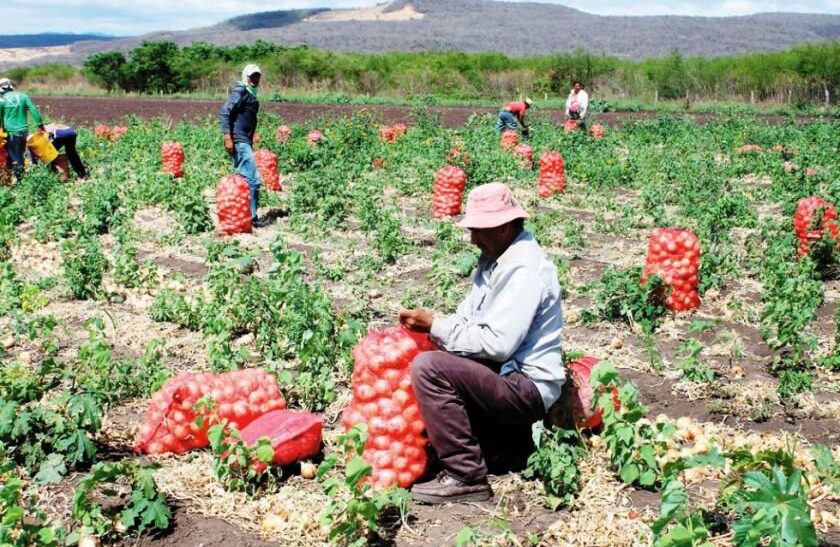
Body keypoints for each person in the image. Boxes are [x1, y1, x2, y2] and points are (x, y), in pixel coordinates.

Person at [399, 182, 565, 504]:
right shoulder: (495, 258)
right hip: (504, 373)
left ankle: (466, 477)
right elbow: (467, 319)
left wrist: (434, 326)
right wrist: (437, 333)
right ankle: (503, 446)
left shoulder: (524, 268)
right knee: (439, 355)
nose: (473, 239)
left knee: (430, 368)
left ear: (504, 228)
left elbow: (498, 344)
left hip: (525, 386)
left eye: (479, 231)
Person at [219, 64, 266, 227]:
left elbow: (248, 116)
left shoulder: (251, 94)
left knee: (244, 178)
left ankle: (238, 213)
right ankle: (252, 218)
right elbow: (225, 112)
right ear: (245, 76)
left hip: (245, 139)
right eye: (251, 76)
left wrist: (253, 132)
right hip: (239, 140)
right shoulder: (240, 92)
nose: (254, 80)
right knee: (253, 179)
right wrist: (227, 137)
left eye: (257, 76)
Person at [0, 78, 45, 179]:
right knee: (20, 155)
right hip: (24, 132)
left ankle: (20, 181)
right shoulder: (23, 96)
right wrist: (40, 126)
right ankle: (21, 177)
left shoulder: (1, 101)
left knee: (14, 158)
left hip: (11, 134)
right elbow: (33, 110)